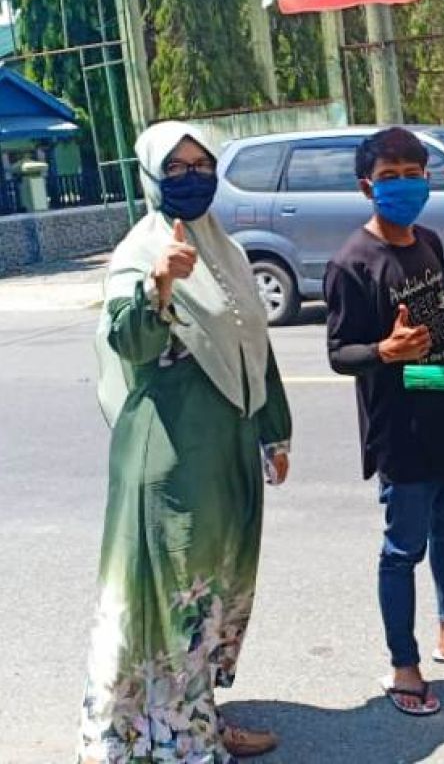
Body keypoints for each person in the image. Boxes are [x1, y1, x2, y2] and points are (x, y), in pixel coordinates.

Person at [79, 121, 292, 763]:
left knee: (214, 590)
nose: (193, 176)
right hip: (171, 459)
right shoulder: (141, 251)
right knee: (178, 599)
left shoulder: (222, 249)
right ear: (150, 177)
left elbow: (255, 344)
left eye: (203, 163)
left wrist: (274, 430)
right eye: (176, 168)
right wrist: (159, 286)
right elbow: (130, 343)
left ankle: (197, 719)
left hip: (227, 447)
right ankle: (175, 744)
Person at [324, 126, 444, 717]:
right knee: (403, 549)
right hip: (400, 433)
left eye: (414, 174)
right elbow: (340, 354)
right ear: (367, 187)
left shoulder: (427, 241)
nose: (405, 186)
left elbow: (441, 319)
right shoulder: (351, 264)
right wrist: (385, 351)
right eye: (390, 178)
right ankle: (403, 664)